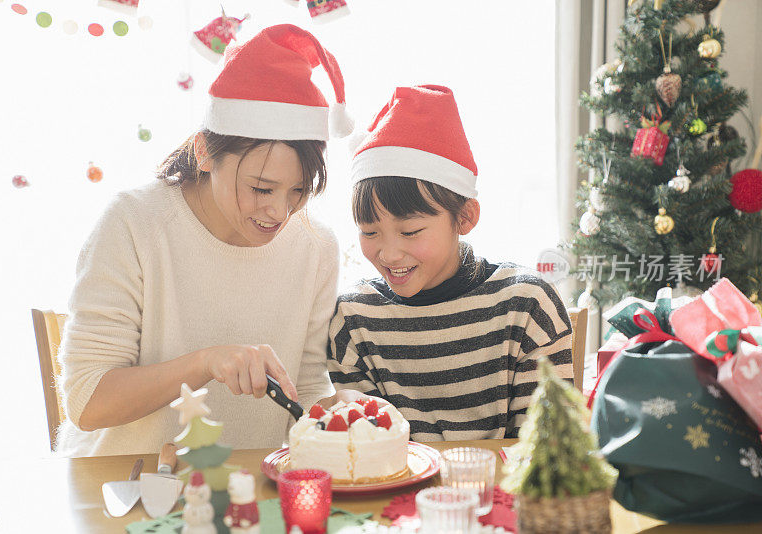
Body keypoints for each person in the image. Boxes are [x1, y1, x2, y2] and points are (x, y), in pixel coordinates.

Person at [56, 24, 354, 456]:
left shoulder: (316, 246)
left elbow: (304, 388)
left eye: (299, 191)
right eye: (261, 188)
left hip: (251, 492)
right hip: (127, 489)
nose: (281, 213)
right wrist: (204, 363)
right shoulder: (134, 223)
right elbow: (87, 402)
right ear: (203, 152)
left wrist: (346, 411)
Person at [325, 85, 573, 441]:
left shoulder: (527, 306)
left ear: (465, 217)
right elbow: (366, 454)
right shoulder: (354, 320)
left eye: (410, 231)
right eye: (369, 232)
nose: (389, 254)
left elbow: (546, 453)